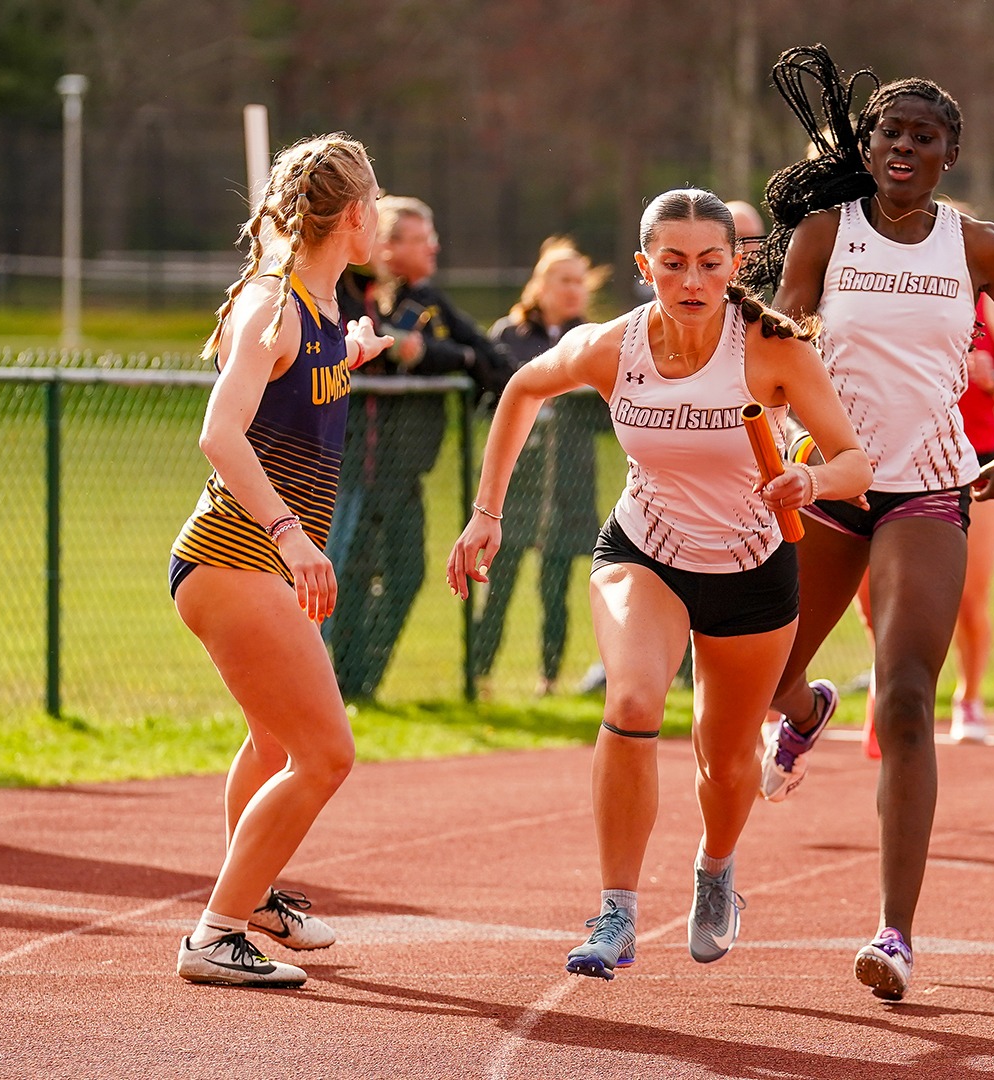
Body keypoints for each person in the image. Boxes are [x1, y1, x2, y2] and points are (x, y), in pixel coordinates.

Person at [448, 188, 870, 979]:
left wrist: (809, 484)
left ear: (734, 264)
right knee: (634, 700)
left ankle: (716, 870)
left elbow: (855, 462)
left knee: (724, 758)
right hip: (646, 551)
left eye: (711, 263)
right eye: (672, 264)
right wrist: (486, 514)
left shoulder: (774, 350)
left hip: (752, 568)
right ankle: (617, 912)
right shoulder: (613, 347)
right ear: (646, 268)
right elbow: (521, 390)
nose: (692, 280)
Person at [737, 44, 994, 1001]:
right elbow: (785, 335)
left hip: (928, 487)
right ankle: (800, 712)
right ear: (869, 145)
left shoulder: (979, 246)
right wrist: (776, 430)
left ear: (950, 153)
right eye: (890, 132)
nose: (904, 146)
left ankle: (895, 934)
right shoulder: (826, 235)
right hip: (834, 484)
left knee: (909, 693)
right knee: (766, 674)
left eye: (924, 135)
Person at [168, 134, 392, 987]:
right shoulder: (274, 305)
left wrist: (353, 354)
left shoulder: (319, 308)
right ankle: (216, 933)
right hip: (233, 561)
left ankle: (252, 897)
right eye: (378, 203)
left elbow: (301, 387)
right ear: (358, 214)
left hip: (241, 565)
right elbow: (219, 434)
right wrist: (294, 537)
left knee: (271, 743)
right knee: (326, 755)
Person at [327, 195, 510, 700]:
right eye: (420, 237)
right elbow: (347, 339)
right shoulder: (345, 291)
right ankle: (335, 690)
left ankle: (362, 685)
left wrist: (430, 353)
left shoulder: (427, 300)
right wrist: (398, 347)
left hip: (406, 473)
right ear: (384, 245)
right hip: (352, 471)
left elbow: (491, 362)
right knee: (345, 577)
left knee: (408, 576)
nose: (434, 246)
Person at [471, 237, 609, 696]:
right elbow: (488, 403)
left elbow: (608, 416)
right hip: (519, 481)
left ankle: (549, 679)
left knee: (556, 587)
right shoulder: (508, 335)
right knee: (500, 582)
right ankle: (479, 675)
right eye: (563, 280)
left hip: (571, 481)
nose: (573, 290)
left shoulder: (590, 339)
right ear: (540, 283)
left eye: (579, 281)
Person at [950, 292, 994, 740]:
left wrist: (991, 379)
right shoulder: (904, 291)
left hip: (980, 463)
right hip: (915, 460)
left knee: (970, 597)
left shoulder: (991, 307)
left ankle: (969, 697)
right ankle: (894, 696)